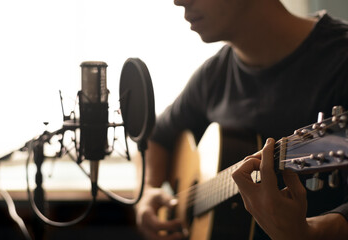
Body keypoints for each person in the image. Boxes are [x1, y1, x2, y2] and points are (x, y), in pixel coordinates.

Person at [134, 0, 348, 239]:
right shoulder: (213, 75)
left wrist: (309, 233)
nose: (178, 1)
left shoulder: (341, 59)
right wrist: (148, 191)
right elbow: (157, 136)